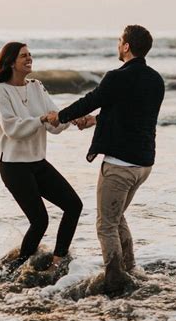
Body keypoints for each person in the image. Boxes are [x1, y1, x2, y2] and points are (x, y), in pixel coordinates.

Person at [46, 25, 164, 294]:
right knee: (117, 216)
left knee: (106, 224)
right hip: (144, 164)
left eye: (119, 41)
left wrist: (59, 116)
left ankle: (115, 279)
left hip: (120, 166)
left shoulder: (117, 77)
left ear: (126, 46)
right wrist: (95, 121)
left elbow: (92, 99)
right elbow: (133, 114)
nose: (117, 45)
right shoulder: (156, 79)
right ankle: (130, 269)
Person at [0, 42, 83, 274]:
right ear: (10, 62)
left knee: (73, 206)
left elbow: (55, 124)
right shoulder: (1, 91)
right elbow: (12, 129)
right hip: (13, 166)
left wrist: (73, 119)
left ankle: (57, 262)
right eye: (23, 56)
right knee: (40, 221)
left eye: (30, 55)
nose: (29, 59)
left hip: (38, 162)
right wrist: (41, 119)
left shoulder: (37, 87)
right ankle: (15, 270)